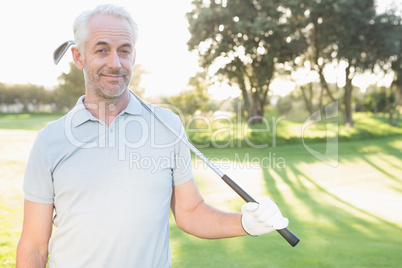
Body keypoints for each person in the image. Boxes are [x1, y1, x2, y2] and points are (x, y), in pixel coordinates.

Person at [16, 4, 289, 267]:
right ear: (78, 57)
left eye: (124, 51)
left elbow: (190, 212)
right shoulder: (50, 141)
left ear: (134, 56)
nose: (115, 63)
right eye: (102, 50)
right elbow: (34, 246)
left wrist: (245, 224)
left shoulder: (167, 127)